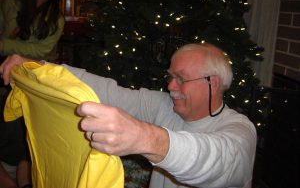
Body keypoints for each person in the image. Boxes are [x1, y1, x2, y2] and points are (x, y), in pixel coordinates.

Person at [0, 42, 257, 188]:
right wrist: (37, 66)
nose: (170, 86)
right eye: (171, 77)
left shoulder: (239, 129)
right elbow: (105, 90)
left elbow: (222, 162)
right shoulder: (164, 105)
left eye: (181, 78)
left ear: (212, 83)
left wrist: (144, 138)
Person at [0, 0, 64, 188]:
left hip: (34, 75)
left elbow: (42, 51)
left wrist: (6, 45)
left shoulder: (56, 18)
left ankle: (20, 170)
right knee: (7, 118)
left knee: (24, 123)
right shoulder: (12, 2)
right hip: (3, 68)